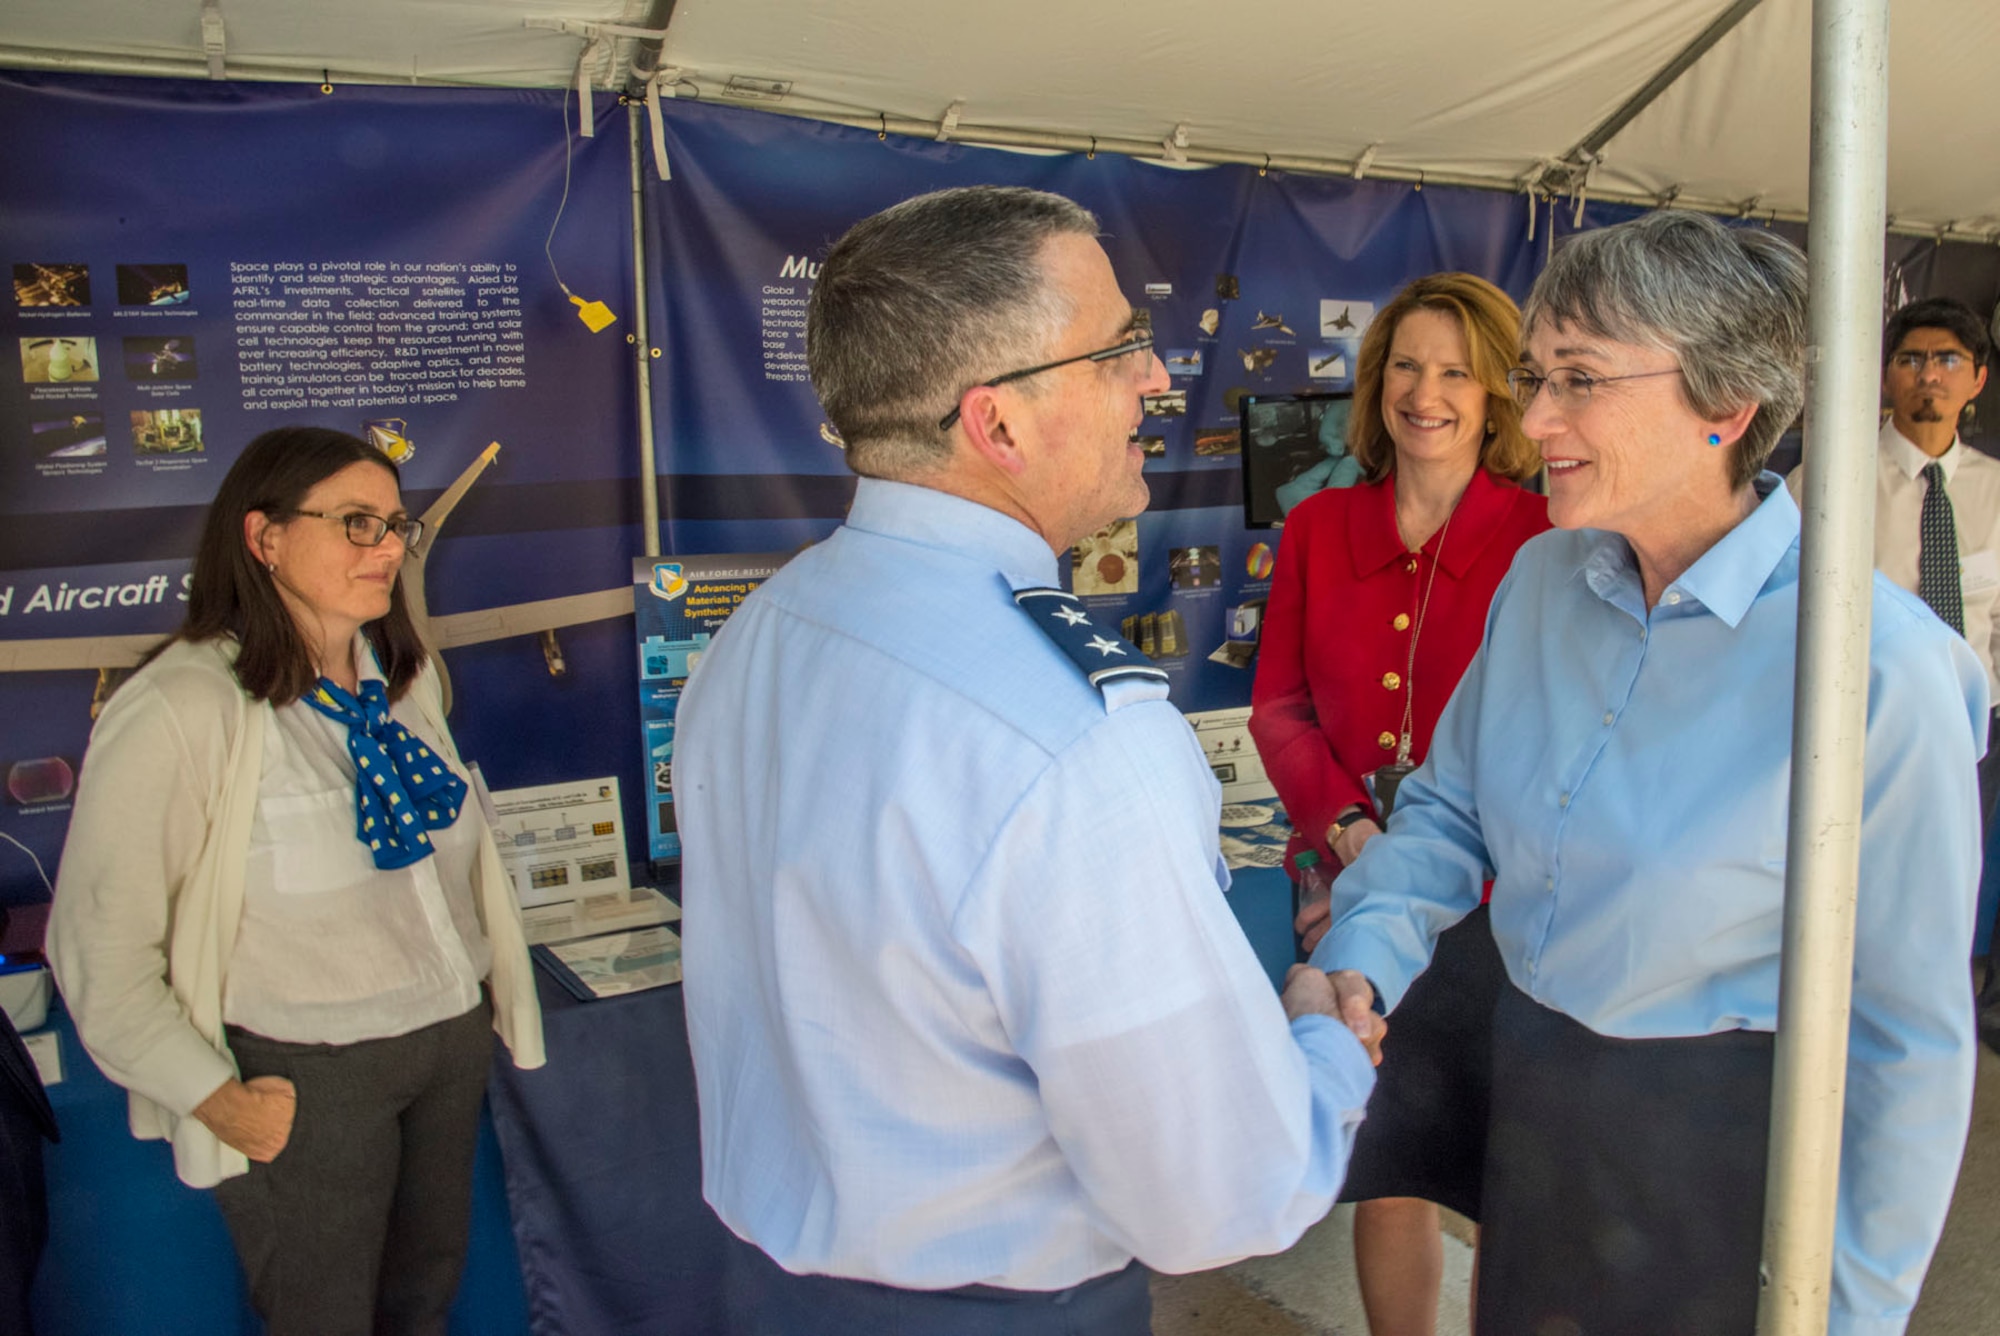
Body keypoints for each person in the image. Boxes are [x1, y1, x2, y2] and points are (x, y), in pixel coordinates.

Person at [674, 185, 1379, 1336]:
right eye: (1117, 350)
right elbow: (1218, 1196)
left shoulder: (764, 630)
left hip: (764, 1288)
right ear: (996, 424)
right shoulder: (1079, 736)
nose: (1155, 380)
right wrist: (1322, 1036)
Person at [1314, 210, 1985, 1336]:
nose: (1531, 418)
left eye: (1577, 379)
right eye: (1534, 376)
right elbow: (1444, 814)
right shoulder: (1539, 580)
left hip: (1721, 1163)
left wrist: (1848, 1310)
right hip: (1536, 1109)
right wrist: (1356, 966)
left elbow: (1905, 1038)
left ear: (1726, 409)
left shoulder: (1874, 668)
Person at [47, 426, 544, 1336]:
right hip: (307, 1079)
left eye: (395, 524)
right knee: (322, 1321)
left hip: (443, 1049)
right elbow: (95, 949)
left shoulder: (404, 682)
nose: (389, 546)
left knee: (421, 1305)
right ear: (264, 536)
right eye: (356, 523)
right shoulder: (183, 707)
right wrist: (215, 1097)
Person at [1249, 271, 1548, 1336]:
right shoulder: (1317, 525)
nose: (1426, 392)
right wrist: (1347, 832)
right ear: (1375, 383)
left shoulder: (1545, 538)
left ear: (1496, 393)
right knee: (1392, 1154)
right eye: (1408, 366)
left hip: (1503, 899)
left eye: (1456, 371)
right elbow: (1277, 708)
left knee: (1508, 1155)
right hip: (1343, 883)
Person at [1789, 297, 2000, 1049]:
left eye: (1947, 361)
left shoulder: (1992, 491)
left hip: (1971, 735)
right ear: (1884, 377)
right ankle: (1831, 1028)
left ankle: (1921, 1030)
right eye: (1911, 360)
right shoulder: (1828, 482)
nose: (1928, 378)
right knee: (1848, 891)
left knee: (1946, 892)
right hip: (1860, 729)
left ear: (1976, 379)